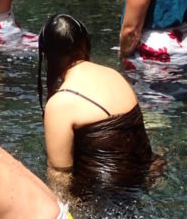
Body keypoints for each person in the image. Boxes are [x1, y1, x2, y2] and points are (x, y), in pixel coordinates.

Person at [38, 14, 155, 196]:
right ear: (85, 44)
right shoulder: (114, 75)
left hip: (101, 200)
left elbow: (60, 173)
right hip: (144, 179)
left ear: (49, 56)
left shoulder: (60, 103)